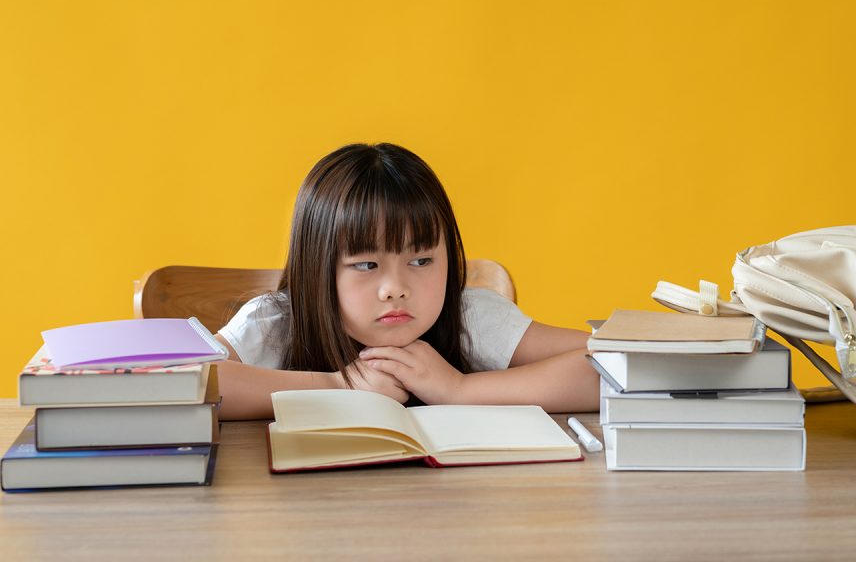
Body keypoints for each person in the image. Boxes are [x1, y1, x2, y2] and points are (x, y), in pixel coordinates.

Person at [214, 143, 598, 420]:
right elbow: (186, 379)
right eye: (366, 265)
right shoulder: (276, 323)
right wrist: (338, 386)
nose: (395, 288)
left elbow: (619, 363)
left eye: (421, 259)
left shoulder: (471, 317)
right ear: (317, 270)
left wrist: (458, 390)